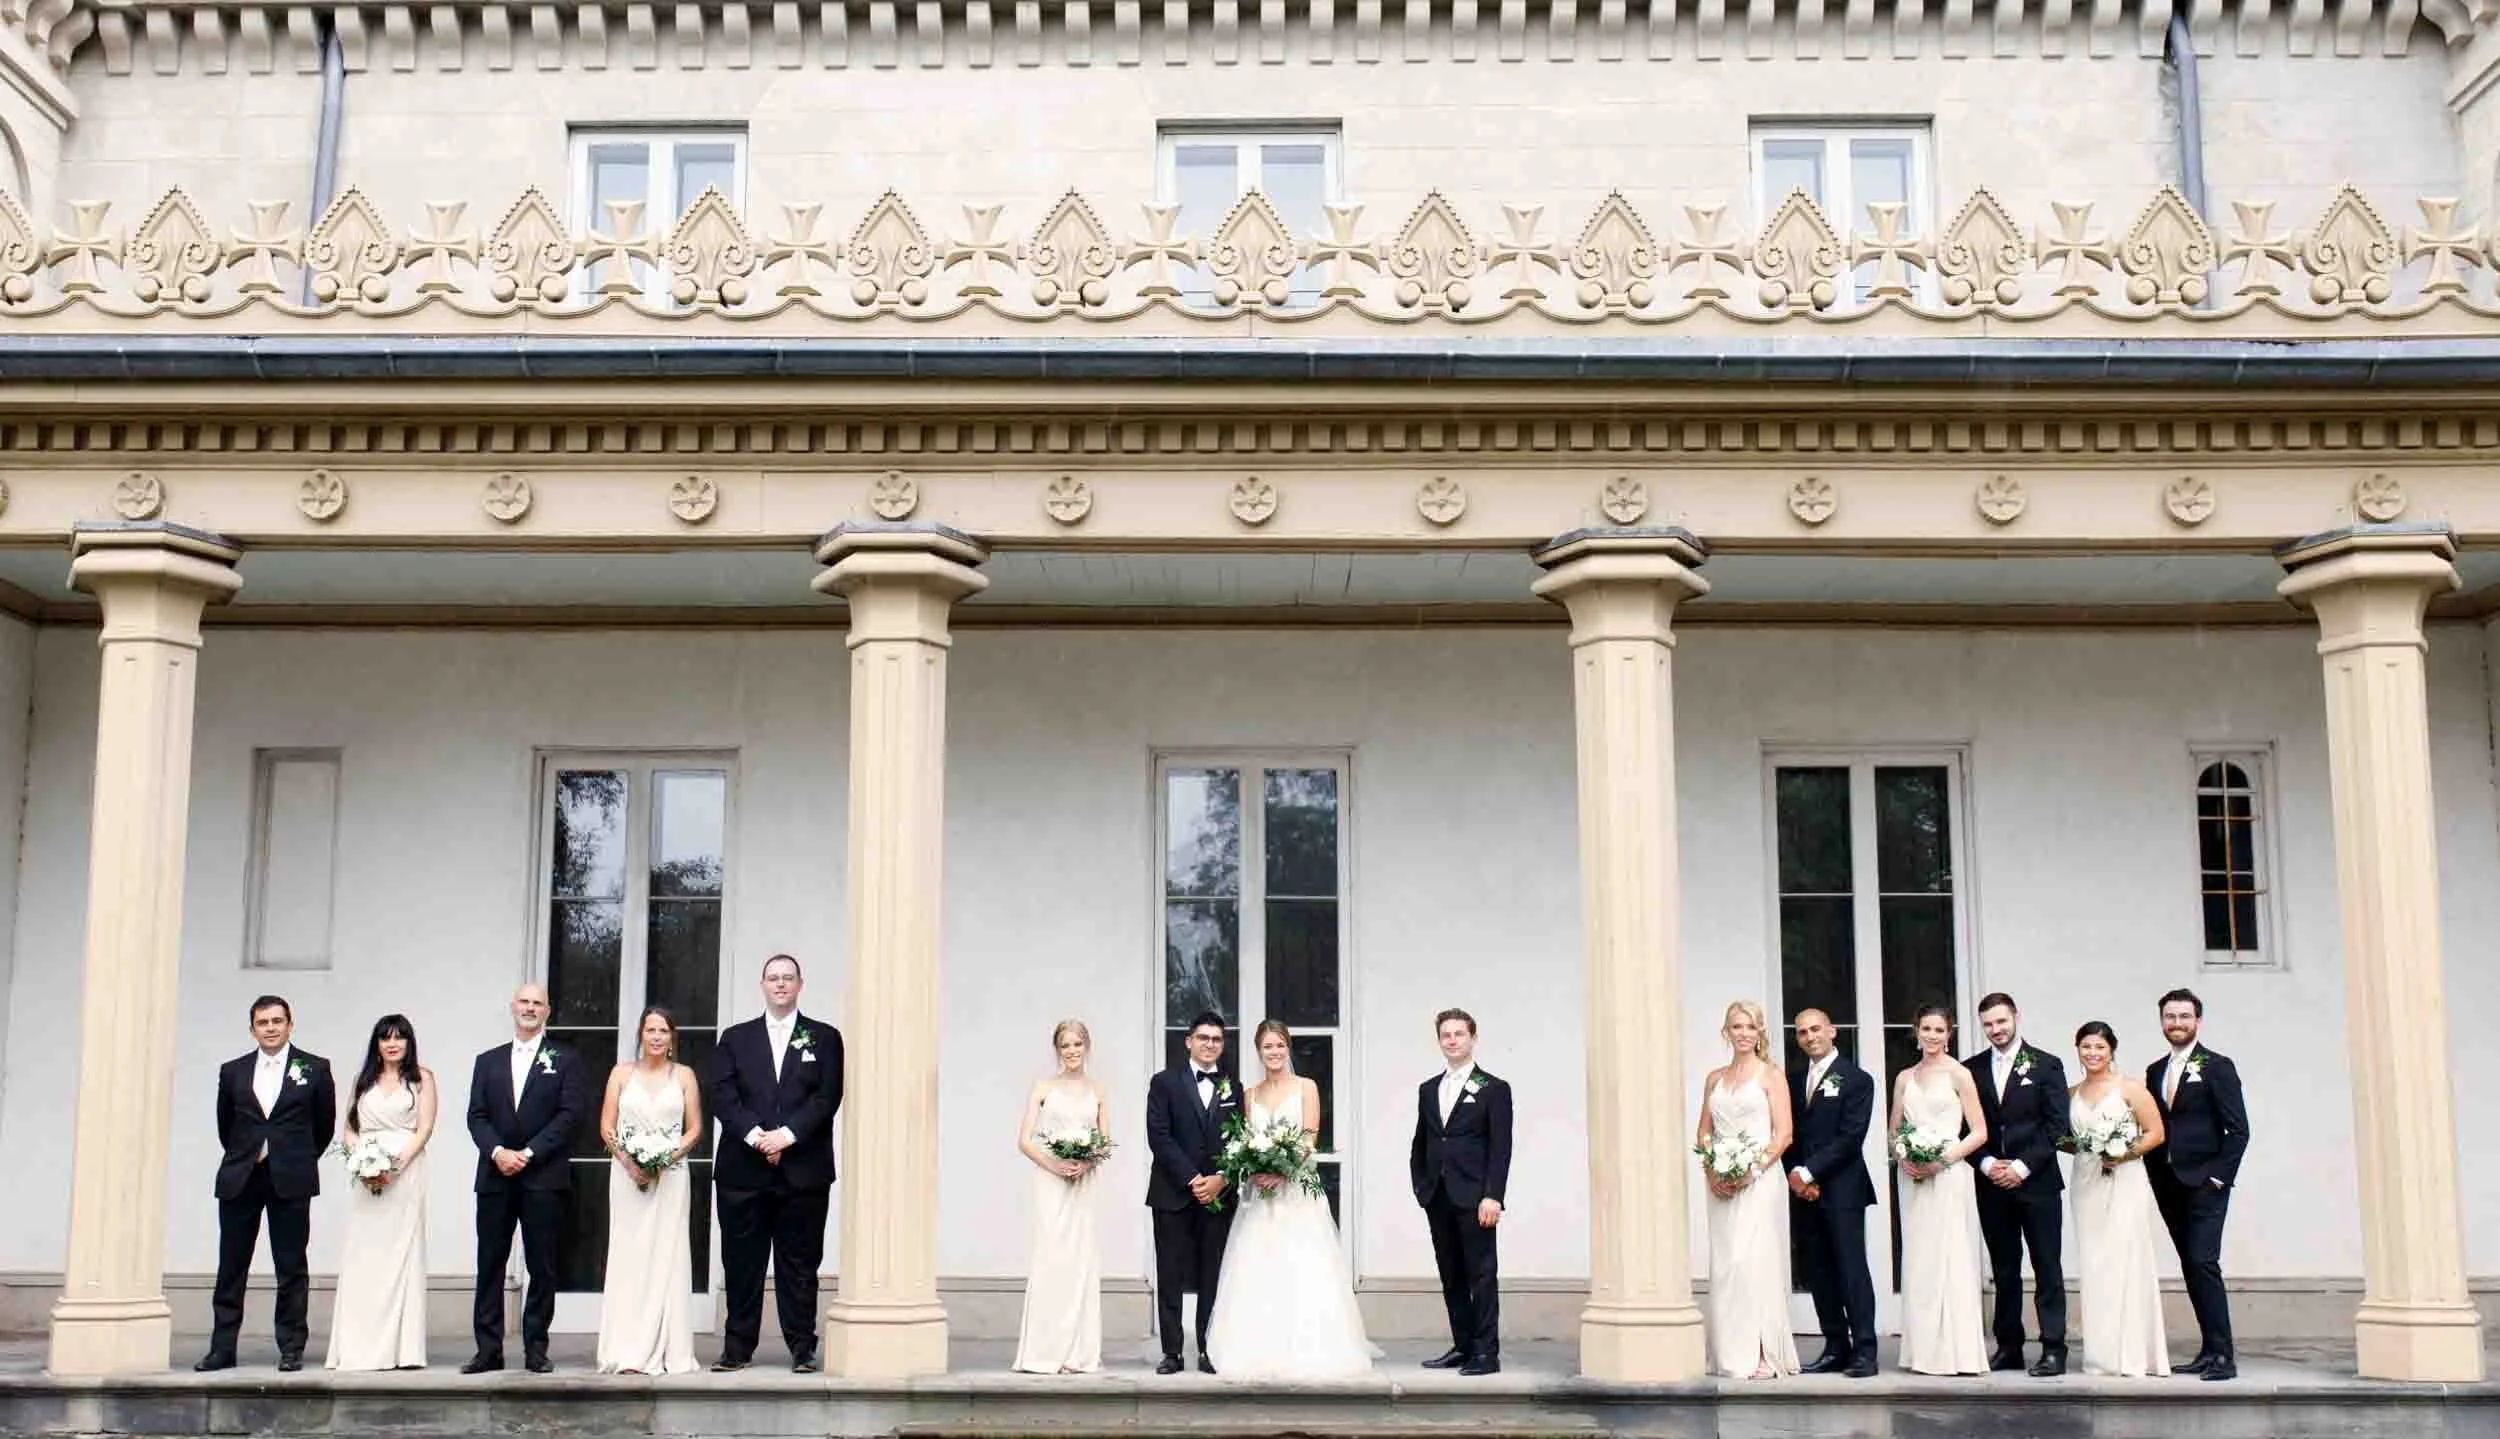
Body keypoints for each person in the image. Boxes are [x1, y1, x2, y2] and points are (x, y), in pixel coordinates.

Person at [1204, 1019, 1374, 1379]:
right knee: (1260, 1265)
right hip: (1261, 1195)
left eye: (1280, 1045)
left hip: (1296, 1189)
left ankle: (1311, 1347)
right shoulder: (1249, 1095)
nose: (1275, 1052)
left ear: (1288, 1048)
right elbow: (1244, 1143)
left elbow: (1310, 1136)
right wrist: (1255, 1168)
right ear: (1258, 1051)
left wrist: (1283, 1170)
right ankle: (1257, 1347)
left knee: (1303, 1264)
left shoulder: (1306, 1087)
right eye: (1268, 1046)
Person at [708, 953, 844, 1372]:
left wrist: (786, 1136)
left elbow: (827, 1096)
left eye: (788, 978)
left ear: (800, 985)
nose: (780, 984)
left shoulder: (824, 1037)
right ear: (762, 985)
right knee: (742, 1261)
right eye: (773, 978)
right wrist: (756, 1137)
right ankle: (737, 1347)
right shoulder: (734, 1038)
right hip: (742, 1171)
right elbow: (722, 1094)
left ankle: (802, 1347)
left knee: (800, 1263)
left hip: (803, 1171)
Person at [199, 995, 335, 1373]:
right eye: (263, 1022)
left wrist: (294, 1157)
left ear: (290, 1024)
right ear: (252, 1029)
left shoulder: (315, 1068)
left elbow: (323, 1125)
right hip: (241, 1177)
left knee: (291, 1265)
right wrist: (249, 1154)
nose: (271, 1028)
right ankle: (222, 1348)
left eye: (278, 1021)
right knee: (231, 1265)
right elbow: (226, 1125)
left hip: (290, 1177)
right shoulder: (233, 1071)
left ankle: (291, 1346)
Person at [463, 983, 587, 1375]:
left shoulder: (565, 1059)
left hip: (543, 1176)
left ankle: (536, 1348)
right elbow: (476, 1116)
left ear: (548, 1011)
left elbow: (569, 1115)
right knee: (490, 1263)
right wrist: (499, 1152)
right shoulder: (488, 1061)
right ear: (512, 1007)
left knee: (542, 1265)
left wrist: (528, 1154)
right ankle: (488, 1350)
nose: (530, 1008)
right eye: (524, 1002)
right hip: (495, 1176)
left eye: (538, 1003)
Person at [1964, 991, 2072, 1376]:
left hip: (2038, 1183)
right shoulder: (1971, 1069)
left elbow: (2059, 1128)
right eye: (1989, 1024)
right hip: (1992, 1184)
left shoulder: (2046, 1066)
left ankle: (2054, 1348)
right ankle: (2008, 1345)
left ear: (2016, 1018)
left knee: (2047, 1267)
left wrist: (2023, 1167)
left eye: (2001, 1022)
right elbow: (1964, 1128)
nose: (1996, 1030)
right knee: (2004, 1268)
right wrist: (1988, 1163)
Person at [596, 1006, 705, 1376]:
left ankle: (667, 1348)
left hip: (671, 1176)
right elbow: (607, 1126)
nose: (656, 1036)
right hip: (626, 1177)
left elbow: (695, 1129)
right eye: (650, 1030)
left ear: (672, 1037)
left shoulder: (685, 1075)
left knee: (667, 1254)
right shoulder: (620, 1073)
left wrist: (663, 1158)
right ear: (640, 1034)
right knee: (632, 1254)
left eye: (663, 1030)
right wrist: (630, 1162)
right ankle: (626, 1347)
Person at [2147, 988, 2248, 1381]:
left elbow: (2238, 1130)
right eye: (2170, 1017)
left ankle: (2224, 1355)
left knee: (2204, 1262)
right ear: (2162, 1023)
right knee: (2190, 1264)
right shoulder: (2156, 1071)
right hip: (2168, 1182)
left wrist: (2219, 1177)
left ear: (2198, 1022)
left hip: (2206, 1183)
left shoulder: (2218, 1066)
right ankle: (2208, 1350)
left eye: (2184, 1017)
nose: (2176, 1024)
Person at [1695, 1000, 1800, 1380]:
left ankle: (1761, 1351)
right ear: (1727, 1032)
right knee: (1725, 1266)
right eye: (1736, 1027)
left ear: (1760, 1033)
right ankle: (1728, 1351)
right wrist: (1712, 1170)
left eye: (1750, 1027)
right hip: (1721, 1182)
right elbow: (1704, 1131)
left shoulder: (1771, 1075)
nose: (1743, 1033)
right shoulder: (1714, 1078)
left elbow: (1784, 1134)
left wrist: (1749, 1171)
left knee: (1751, 1261)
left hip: (1758, 1180)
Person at [326, 1014, 436, 1372]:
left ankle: (401, 1350)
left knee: (400, 1254)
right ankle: (359, 1347)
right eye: (385, 1038)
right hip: (365, 1176)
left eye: (399, 1038)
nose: (392, 1044)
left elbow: (424, 1129)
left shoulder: (423, 1079)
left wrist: (394, 1167)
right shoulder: (362, 1081)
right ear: (376, 1043)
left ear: (408, 1042)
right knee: (364, 1255)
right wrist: (363, 1163)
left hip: (405, 1172)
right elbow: (349, 1129)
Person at [1408, 1007, 1512, 1377]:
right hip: (1438, 1195)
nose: (1452, 1040)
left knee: (1481, 1275)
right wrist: (1422, 1187)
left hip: (1476, 1197)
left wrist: (1493, 1196)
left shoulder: (1493, 1089)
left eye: (1459, 1034)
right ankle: (1463, 1344)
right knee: (1450, 1274)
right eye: (1446, 1035)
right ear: (1439, 1041)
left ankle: (1486, 1353)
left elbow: (1501, 1147)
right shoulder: (1428, 1089)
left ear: (1473, 1039)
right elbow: (1422, 1141)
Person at [2068, 1020, 2168, 1378]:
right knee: (2095, 1265)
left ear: (2111, 1050)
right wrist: (2082, 1146)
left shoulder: (2130, 1088)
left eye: (2099, 1047)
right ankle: (2101, 1355)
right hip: (2086, 1181)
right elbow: (2066, 1139)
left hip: (2124, 1179)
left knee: (2125, 1260)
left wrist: (2124, 1153)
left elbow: (2156, 1133)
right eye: (2086, 1047)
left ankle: (2132, 1354)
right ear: (2077, 1050)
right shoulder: (2072, 1093)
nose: (2092, 1053)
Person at [1894, 1003, 1989, 1377]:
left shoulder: (1960, 1075)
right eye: (1926, 1029)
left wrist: (1943, 1160)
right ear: (1916, 1032)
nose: (1932, 1036)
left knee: (1950, 1257)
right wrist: (1903, 1154)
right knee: (1920, 1259)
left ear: (1949, 1035)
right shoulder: (1904, 1077)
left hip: (1948, 1175)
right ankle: (1922, 1353)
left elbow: (1979, 1131)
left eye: (1939, 1030)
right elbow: (1894, 1128)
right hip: (1914, 1176)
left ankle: (1957, 1352)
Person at [1011, 1019, 1110, 1375]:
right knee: (1051, 1257)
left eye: (1077, 1045)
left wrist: (1086, 1162)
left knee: (1080, 1258)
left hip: (1082, 1183)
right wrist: (1053, 1164)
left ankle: (1077, 1352)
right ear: (1057, 1050)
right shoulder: (1042, 1087)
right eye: (1065, 1045)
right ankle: (1044, 1350)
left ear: (1087, 1047)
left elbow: (1104, 1141)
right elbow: (1024, 1140)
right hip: (1049, 1182)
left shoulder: (1098, 1089)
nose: (1072, 1051)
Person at [1784, 1007, 1878, 1379]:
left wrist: (1811, 1171)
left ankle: (1865, 1351)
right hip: (1803, 1191)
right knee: (1819, 1271)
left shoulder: (1857, 1080)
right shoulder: (1792, 1081)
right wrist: (1795, 1175)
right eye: (1803, 1032)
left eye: (1816, 1029)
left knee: (1851, 1269)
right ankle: (1835, 1346)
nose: (1810, 1037)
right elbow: (1788, 1134)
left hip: (1843, 1189)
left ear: (1833, 1031)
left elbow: (1851, 1138)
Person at [1143, 1011, 1239, 1374]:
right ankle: (1172, 1352)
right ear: (1188, 1041)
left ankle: (1206, 1348)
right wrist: (1193, 1178)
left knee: (1211, 1272)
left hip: (1217, 1195)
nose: (1209, 1045)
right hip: (1172, 1193)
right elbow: (1159, 1136)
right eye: (1203, 1038)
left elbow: (1239, 1139)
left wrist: (1219, 1179)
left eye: (1216, 1039)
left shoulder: (1234, 1086)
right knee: (1170, 1273)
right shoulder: (1163, 1082)